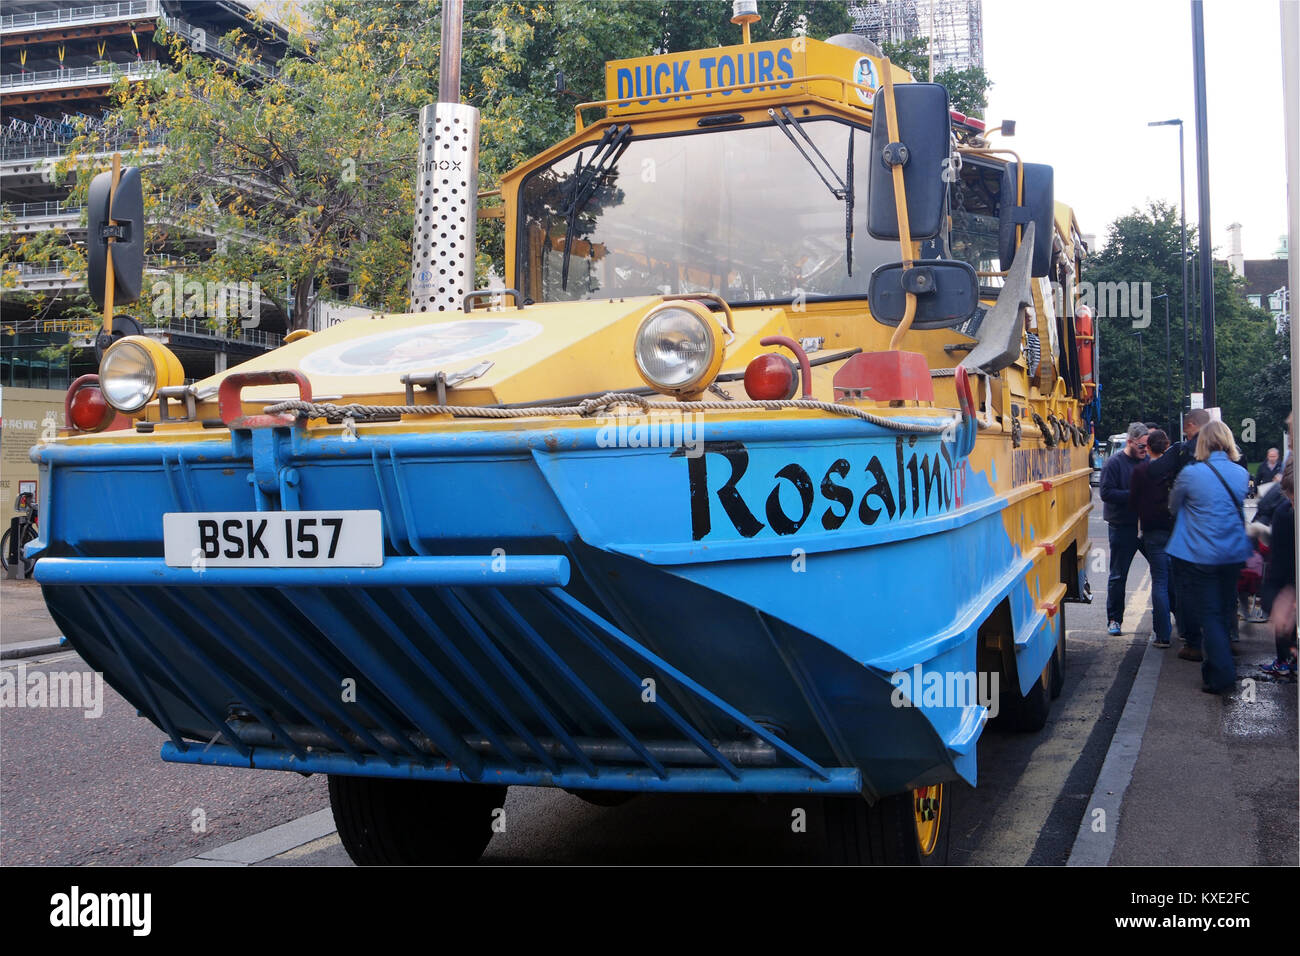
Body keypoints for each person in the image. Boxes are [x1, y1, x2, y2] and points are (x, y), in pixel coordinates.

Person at [1166, 420, 1254, 695]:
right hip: (1232, 553)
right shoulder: (1240, 473)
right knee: (1226, 607)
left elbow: (1173, 507)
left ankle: (1222, 676)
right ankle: (1217, 666)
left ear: (1202, 443)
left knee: (1210, 615)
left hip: (1200, 554)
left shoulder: (1192, 473)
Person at [1148, 408, 1211, 656]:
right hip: (1221, 534)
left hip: (1189, 528)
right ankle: (1228, 636)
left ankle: (1192, 641)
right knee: (1218, 587)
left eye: (1186, 429)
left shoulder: (1181, 451)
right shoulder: (1229, 452)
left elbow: (1154, 472)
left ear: (1193, 425)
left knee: (1186, 585)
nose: (1185, 433)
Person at [1100, 421, 1148, 634]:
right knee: (1118, 576)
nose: (1145, 451)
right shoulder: (1114, 463)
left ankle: (1173, 620)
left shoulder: (1147, 462)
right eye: (1141, 446)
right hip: (1122, 526)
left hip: (1147, 526)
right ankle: (1114, 619)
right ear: (1130, 442)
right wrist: (1134, 496)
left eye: (1147, 447)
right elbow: (1106, 493)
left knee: (1164, 571)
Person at [1129, 429, 1174, 646]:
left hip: (1151, 530)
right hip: (1175, 529)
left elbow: (1134, 500)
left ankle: (1163, 635)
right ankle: (1185, 629)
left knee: (1160, 581)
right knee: (1177, 580)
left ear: (1147, 448)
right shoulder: (1174, 469)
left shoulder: (1140, 471)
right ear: (1167, 446)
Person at [1259, 459, 1297, 680]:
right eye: (1292, 498)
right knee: (1283, 615)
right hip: (1286, 577)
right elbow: (1279, 558)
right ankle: (1285, 661)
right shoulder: (1283, 513)